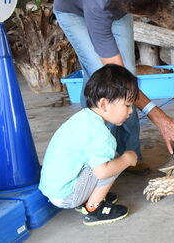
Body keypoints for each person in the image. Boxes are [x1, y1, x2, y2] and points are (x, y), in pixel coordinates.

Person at [54, 0, 174, 174]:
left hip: (119, 1)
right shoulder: (97, 1)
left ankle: (131, 156)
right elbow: (120, 81)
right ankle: (99, 157)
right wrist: (159, 117)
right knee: (108, 81)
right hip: (74, 11)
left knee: (124, 75)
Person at [39, 64, 139, 225]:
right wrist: (127, 159)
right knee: (114, 162)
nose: (131, 111)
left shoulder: (83, 118)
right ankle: (94, 209)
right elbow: (102, 172)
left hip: (53, 189)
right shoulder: (100, 135)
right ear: (104, 104)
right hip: (66, 196)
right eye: (127, 105)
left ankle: (91, 196)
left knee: (108, 157)